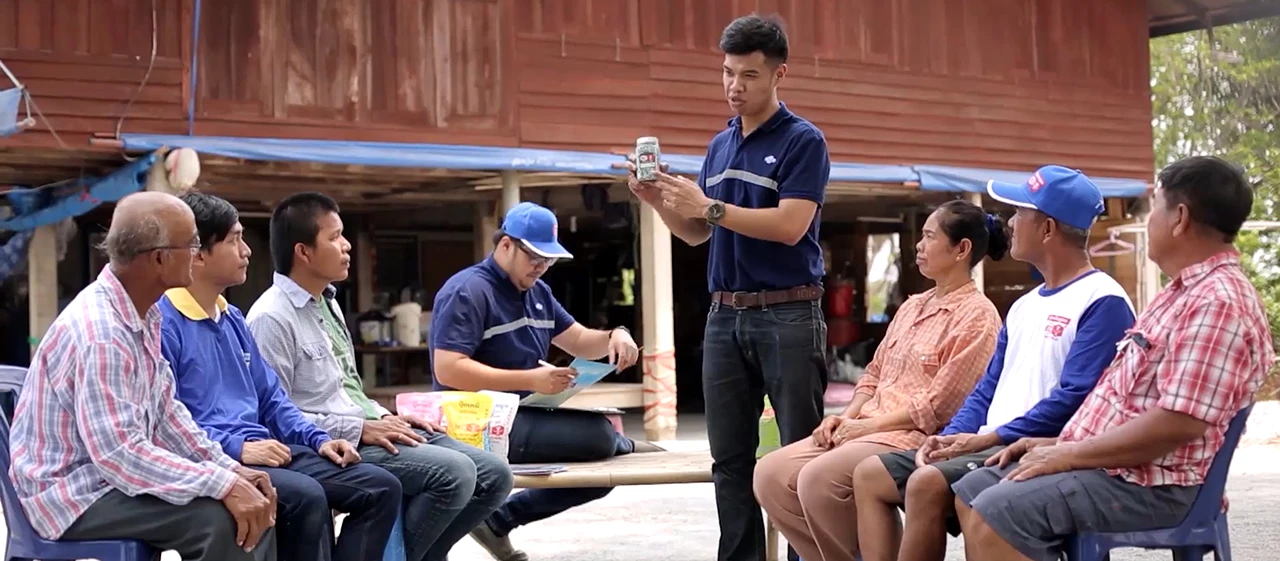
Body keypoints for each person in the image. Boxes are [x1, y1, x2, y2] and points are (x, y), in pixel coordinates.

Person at [951, 156, 1275, 561]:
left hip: (1157, 482)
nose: (1149, 221)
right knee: (972, 490)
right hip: (1119, 465)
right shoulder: (1182, 293)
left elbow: (1179, 422)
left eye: (1155, 208)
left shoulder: (1217, 302)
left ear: (1179, 218)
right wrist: (1059, 442)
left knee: (998, 509)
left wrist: (1069, 453)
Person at [616, 14, 831, 561]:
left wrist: (709, 205)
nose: (735, 86)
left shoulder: (803, 141)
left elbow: (791, 226)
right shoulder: (721, 145)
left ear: (779, 74)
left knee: (801, 456)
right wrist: (658, 200)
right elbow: (696, 233)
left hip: (788, 313)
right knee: (729, 461)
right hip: (724, 317)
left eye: (749, 75)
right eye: (728, 73)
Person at [851, 166, 1137, 561]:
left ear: (1047, 229)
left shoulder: (1103, 300)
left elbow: (1076, 398)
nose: (1011, 223)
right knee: (874, 474)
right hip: (993, 442)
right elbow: (988, 387)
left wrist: (991, 437)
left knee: (929, 484)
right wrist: (951, 436)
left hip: (1033, 446)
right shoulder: (1023, 305)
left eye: (1020, 213)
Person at [8, 192, 277, 561]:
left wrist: (229, 470)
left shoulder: (144, 314)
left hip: (108, 478)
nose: (197, 253)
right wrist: (221, 484)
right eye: (191, 244)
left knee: (253, 498)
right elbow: (120, 454)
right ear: (159, 258)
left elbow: (168, 417)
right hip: (73, 493)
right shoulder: (102, 334)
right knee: (219, 519)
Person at [245, 192, 513, 561]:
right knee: (455, 473)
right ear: (303, 252)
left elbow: (348, 389)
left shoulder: (328, 301)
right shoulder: (271, 318)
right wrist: (358, 429)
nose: (346, 245)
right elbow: (273, 416)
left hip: (369, 425)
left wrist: (387, 416)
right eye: (335, 237)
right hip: (331, 444)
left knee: (496, 475)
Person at [754, 200, 1007, 561]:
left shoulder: (978, 317)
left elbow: (939, 408)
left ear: (961, 249)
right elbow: (873, 373)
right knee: (770, 474)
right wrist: (847, 417)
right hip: (868, 427)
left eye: (930, 237)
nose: (919, 245)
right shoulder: (913, 305)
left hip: (912, 435)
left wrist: (866, 426)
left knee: (819, 479)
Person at [161, 192, 404, 561]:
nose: (247, 251)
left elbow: (272, 398)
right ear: (198, 254)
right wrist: (236, 447)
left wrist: (320, 439)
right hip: (216, 457)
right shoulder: (165, 325)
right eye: (234, 240)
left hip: (263, 449)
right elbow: (168, 421)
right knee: (306, 496)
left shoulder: (232, 319)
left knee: (380, 487)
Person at [430, 201, 658, 561]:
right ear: (506, 245)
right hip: (474, 421)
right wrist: (530, 379)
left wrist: (616, 334)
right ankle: (620, 443)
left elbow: (579, 340)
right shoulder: (468, 291)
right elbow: (448, 369)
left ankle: (499, 519)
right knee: (598, 438)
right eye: (534, 257)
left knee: (602, 469)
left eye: (549, 260)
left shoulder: (538, 293)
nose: (541, 267)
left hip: (521, 412)